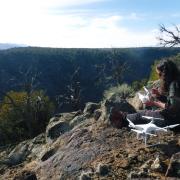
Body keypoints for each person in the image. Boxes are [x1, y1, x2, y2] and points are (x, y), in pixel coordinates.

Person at [119, 59, 180, 128]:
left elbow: (172, 109)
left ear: (164, 74)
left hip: (174, 121)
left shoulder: (174, 85)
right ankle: (124, 117)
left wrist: (154, 103)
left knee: (139, 115)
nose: (159, 77)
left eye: (159, 74)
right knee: (142, 112)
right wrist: (159, 96)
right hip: (175, 117)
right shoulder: (177, 81)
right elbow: (174, 103)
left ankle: (122, 120)